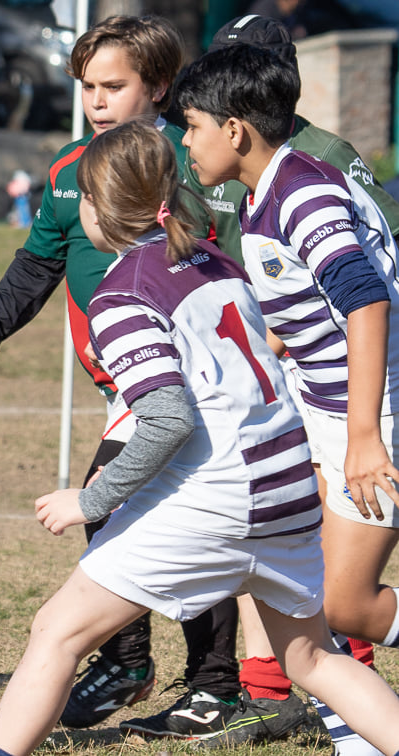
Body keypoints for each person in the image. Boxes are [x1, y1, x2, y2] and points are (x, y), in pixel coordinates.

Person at [0, 118, 399, 756]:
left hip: (216, 502)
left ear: (97, 209)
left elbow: (168, 418)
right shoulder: (217, 259)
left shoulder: (119, 296)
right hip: (288, 495)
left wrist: (89, 501)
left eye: (83, 197)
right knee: (311, 658)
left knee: (57, 632)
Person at [0, 15, 267, 742]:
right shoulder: (70, 170)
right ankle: (136, 662)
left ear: (157, 87)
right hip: (121, 387)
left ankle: (207, 682)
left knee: (135, 507)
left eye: (113, 86)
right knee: (127, 512)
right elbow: (38, 260)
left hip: (180, 387)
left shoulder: (198, 162)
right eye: (87, 87)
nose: (96, 101)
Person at [176, 44, 399, 755]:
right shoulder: (262, 196)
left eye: (191, 126)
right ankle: (356, 743)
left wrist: (363, 436)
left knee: (345, 604)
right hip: (324, 414)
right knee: (294, 591)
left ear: (233, 129)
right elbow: (308, 309)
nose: (185, 144)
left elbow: (365, 303)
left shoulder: (302, 192)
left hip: (372, 415)